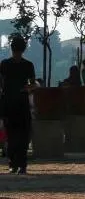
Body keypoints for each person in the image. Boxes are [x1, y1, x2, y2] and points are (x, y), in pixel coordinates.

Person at [0, 35, 38, 174]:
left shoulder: (4, 64)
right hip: (22, 103)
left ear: (11, 48)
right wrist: (27, 88)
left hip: (9, 103)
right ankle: (22, 164)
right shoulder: (28, 65)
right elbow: (33, 84)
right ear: (23, 49)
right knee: (22, 135)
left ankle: (13, 164)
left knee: (11, 135)